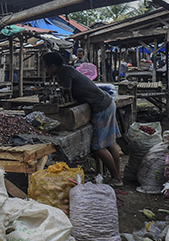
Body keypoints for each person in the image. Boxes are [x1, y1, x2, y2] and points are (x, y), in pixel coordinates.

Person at [42, 51, 123, 186]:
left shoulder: (64, 73)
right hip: (106, 102)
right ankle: (117, 176)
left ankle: (116, 178)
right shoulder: (67, 70)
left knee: (98, 147)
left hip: (101, 107)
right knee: (110, 143)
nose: (46, 70)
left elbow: (67, 92)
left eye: (46, 66)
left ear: (52, 66)